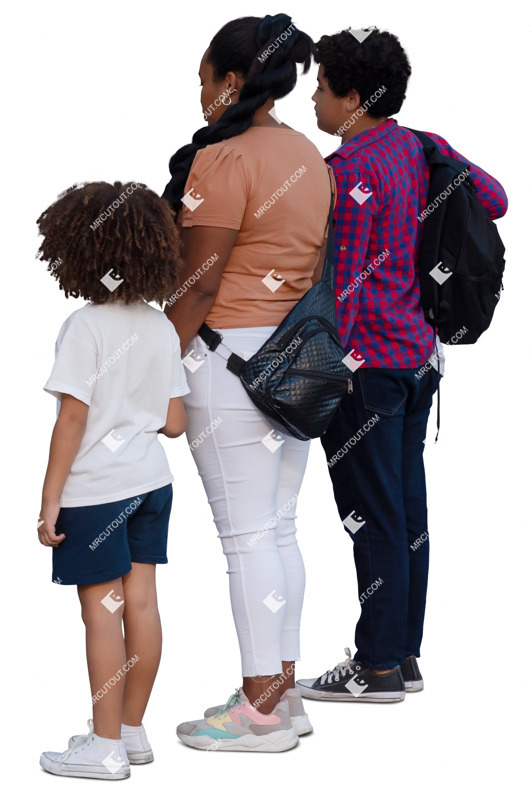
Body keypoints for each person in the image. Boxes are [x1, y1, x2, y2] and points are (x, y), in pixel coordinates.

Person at [297, 28, 508, 702]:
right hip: (420, 359)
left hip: (370, 370)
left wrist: (327, 371)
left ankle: (378, 665)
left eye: (323, 86)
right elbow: (496, 198)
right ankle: (404, 650)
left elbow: (346, 290)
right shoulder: (424, 145)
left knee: (373, 514)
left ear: (353, 97)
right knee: (407, 509)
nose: (314, 97)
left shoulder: (349, 170)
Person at [162, 13, 334, 751]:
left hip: (223, 358)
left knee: (245, 537)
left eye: (204, 79)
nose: (199, 94)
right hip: (289, 359)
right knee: (279, 528)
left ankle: (258, 713)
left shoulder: (223, 161)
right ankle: (281, 690)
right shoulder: (308, 154)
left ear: (233, 80)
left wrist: (153, 367)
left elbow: (197, 286)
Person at [36, 181, 190, 778]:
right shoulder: (158, 327)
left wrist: (50, 502)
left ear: (81, 250)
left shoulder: (86, 326)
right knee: (142, 606)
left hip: (97, 491)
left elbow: (72, 418)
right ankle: (130, 731)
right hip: (152, 483)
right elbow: (175, 423)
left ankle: (102, 750)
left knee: (101, 612)